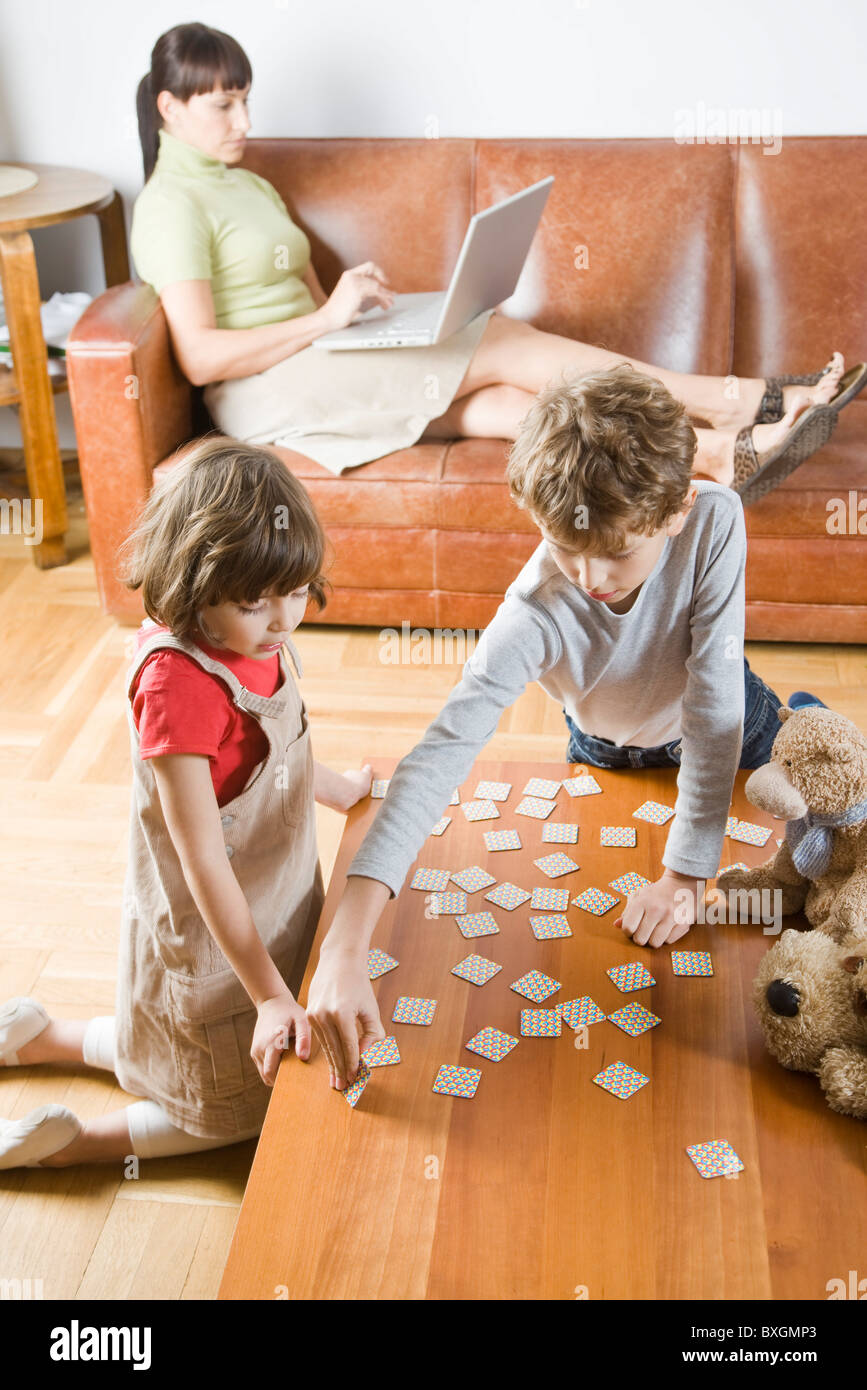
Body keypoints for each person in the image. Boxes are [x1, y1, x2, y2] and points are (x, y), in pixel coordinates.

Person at [303, 361, 828, 1092]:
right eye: (562, 546)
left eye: (614, 552)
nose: (586, 576)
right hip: (605, 745)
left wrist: (684, 875)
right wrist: (342, 947)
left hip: (735, 723)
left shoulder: (712, 518)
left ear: (674, 509)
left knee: (819, 857)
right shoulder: (536, 611)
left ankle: (811, 726)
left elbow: (711, 706)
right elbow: (438, 757)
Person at [129, 23, 863, 494]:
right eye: (223, 105)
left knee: (505, 407)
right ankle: (737, 401)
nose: (246, 122)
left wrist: (356, 310)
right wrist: (326, 318)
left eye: (245, 99)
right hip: (264, 394)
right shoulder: (170, 206)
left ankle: (712, 457)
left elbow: (303, 297)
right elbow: (199, 359)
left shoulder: (245, 183)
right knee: (501, 338)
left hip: (321, 360)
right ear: (169, 108)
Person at [0, 439, 371, 1169]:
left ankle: (43, 1038)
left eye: (294, 592)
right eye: (254, 603)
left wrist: (341, 790)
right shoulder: (177, 684)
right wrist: (268, 996)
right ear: (193, 583)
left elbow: (282, 753)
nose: (282, 619)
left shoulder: (256, 635)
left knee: (184, 1045)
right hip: (216, 921)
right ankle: (77, 1147)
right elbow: (201, 857)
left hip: (271, 893)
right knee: (241, 1101)